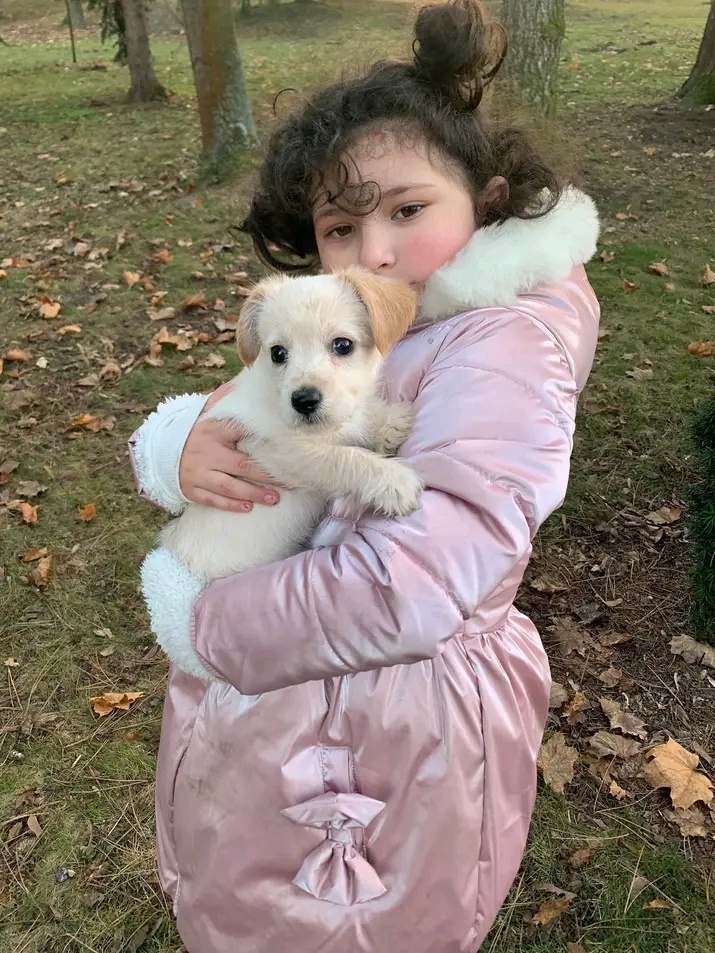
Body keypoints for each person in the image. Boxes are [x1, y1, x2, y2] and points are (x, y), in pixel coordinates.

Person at [129, 1, 600, 950]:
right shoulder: (370, 316)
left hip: (402, 719)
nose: (374, 251)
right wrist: (176, 446)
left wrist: (204, 624)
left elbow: (415, 583)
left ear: (489, 200)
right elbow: (252, 401)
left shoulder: (505, 349)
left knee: (371, 914)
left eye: (408, 211)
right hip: (294, 684)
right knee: (259, 880)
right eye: (340, 226)